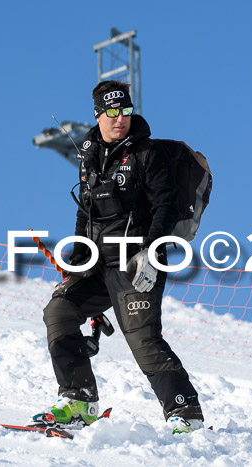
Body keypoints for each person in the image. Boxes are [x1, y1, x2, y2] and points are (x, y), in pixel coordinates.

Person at [30, 80, 204, 434]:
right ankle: (79, 399)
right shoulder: (89, 154)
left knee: (143, 339)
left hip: (135, 264)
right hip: (97, 264)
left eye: (125, 110)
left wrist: (152, 254)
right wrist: (79, 256)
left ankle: (185, 413)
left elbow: (165, 208)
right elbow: (86, 212)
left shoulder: (147, 154)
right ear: (97, 114)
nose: (119, 117)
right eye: (111, 111)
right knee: (59, 311)